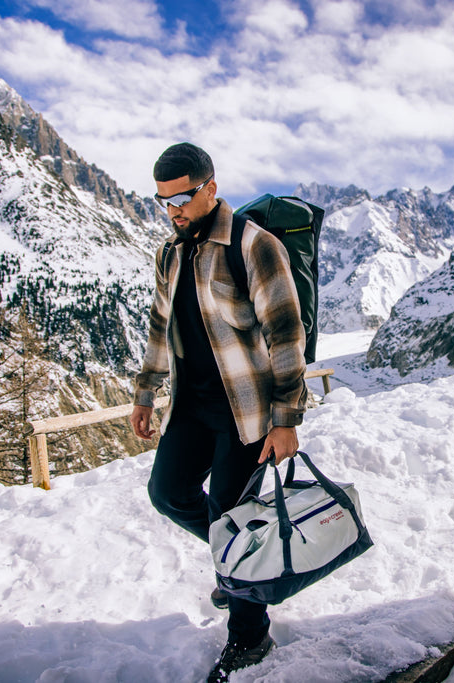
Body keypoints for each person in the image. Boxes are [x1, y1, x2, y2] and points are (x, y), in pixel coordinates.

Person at [130, 142, 307, 682]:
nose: (173, 209)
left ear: (210, 185)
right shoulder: (171, 252)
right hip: (191, 405)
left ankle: (250, 637)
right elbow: (161, 328)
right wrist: (145, 391)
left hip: (246, 411)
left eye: (181, 197)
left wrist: (286, 420)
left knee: (235, 520)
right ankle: (235, 566)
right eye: (163, 201)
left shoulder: (255, 246)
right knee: (167, 493)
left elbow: (285, 334)